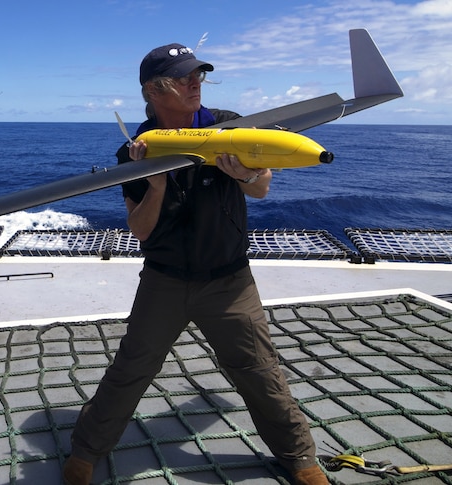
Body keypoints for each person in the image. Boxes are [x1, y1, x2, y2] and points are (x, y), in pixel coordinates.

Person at [63, 45, 329, 484]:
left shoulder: (232, 126)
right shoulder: (136, 149)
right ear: (153, 90)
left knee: (260, 371)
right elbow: (141, 230)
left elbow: (260, 189)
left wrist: (244, 174)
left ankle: (300, 459)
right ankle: (86, 452)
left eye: (198, 76)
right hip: (164, 280)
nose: (195, 84)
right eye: (183, 78)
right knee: (131, 369)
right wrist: (156, 183)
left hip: (229, 280)